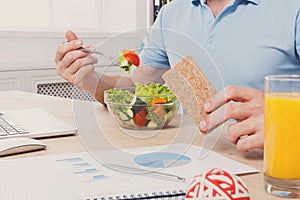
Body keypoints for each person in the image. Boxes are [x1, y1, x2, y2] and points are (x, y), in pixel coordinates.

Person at [55, 0, 300, 152]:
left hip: (270, 166)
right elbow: (135, 87)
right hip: (190, 160)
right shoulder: (172, 13)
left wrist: (287, 119)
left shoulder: (293, 8)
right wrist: (90, 80)